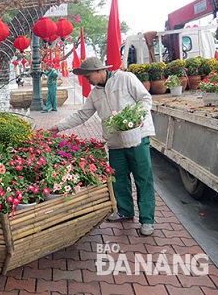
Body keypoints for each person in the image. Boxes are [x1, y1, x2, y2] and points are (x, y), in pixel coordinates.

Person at [47, 57, 156, 236]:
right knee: (118, 177)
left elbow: (145, 99)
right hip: (115, 142)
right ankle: (125, 210)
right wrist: (58, 127)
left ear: (99, 71)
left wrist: (137, 117)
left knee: (143, 178)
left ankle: (147, 220)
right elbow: (82, 115)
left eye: (88, 76)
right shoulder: (95, 94)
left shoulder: (125, 78)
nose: (87, 80)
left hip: (137, 136)